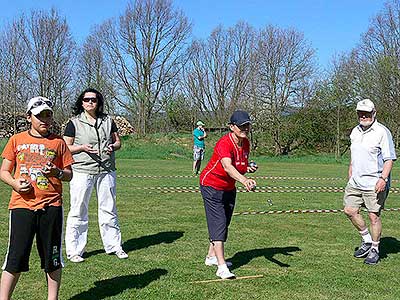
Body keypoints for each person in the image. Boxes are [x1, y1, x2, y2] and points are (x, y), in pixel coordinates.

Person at [0, 96, 74, 300]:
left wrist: (57, 172)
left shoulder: (58, 143)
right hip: (21, 206)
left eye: (48, 115)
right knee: (15, 257)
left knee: (52, 258)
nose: (45, 120)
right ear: (29, 117)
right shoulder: (16, 140)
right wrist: (15, 184)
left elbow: (69, 174)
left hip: (51, 206)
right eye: (40, 115)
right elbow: (4, 171)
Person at [64, 88, 128, 263]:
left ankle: (114, 246)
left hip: (106, 170)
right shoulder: (74, 123)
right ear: (81, 102)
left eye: (94, 99)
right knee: (78, 210)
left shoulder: (108, 121)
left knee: (109, 209)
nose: (90, 102)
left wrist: (112, 147)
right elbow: (66, 147)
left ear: (99, 102)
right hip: (82, 171)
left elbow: (118, 142)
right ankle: (74, 250)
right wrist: (82, 148)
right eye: (86, 100)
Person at [199, 110, 258, 279]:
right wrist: (244, 180)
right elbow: (227, 166)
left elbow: (238, 164)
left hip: (228, 187)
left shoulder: (245, 143)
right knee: (218, 223)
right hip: (211, 185)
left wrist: (247, 169)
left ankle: (211, 257)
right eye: (241, 126)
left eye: (247, 125)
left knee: (225, 222)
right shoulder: (224, 143)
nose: (245, 129)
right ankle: (222, 267)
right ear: (232, 127)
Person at [343, 99, 396, 265]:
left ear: (374, 113)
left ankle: (375, 249)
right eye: (360, 113)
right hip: (356, 182)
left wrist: (383, 179)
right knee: (350, 210)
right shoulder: (355, 131)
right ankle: (366, 240)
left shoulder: (382, 132)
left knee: (374, 216)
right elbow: (355, 153)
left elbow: (389, 159)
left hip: (375, 182)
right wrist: (351, 168)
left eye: (367, 113)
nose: (363, 116)